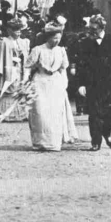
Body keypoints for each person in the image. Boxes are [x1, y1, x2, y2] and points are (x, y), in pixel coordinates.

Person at [25, 22, 76, 151]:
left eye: (59, 38)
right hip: (40, 83)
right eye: (54, 38)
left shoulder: (61, 51)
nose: (57, 41)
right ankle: (40, 142)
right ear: (48, 37)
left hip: (56, 84)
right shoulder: (38, 50)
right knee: (40, 113)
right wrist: (25, 81)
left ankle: (54, 142)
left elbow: (63, 69)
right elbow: (28, 67)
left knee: (55, 113)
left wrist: (64, 83)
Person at [78, 14, 111, 151]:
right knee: (94, 113)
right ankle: (95, 141)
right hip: (92, 82)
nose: (92, 32)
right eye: (90, 29)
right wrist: (81, 84)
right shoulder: (86, 42)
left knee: (109, 112)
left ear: (102, 27)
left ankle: (107, 134)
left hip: (110, 82)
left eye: (94, 29)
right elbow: (82, 64)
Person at [0, 17, 30, 121]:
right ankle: (9, 114)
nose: (18, 33)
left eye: (19, 31)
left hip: (20, 68)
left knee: (20, 88)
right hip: (10, 67)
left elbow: (26, 55)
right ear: (10, 31)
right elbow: (1, 56)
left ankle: (21, 114)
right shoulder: (5, 41)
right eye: (16, 31)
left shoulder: (23, 42)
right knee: (10, 89)